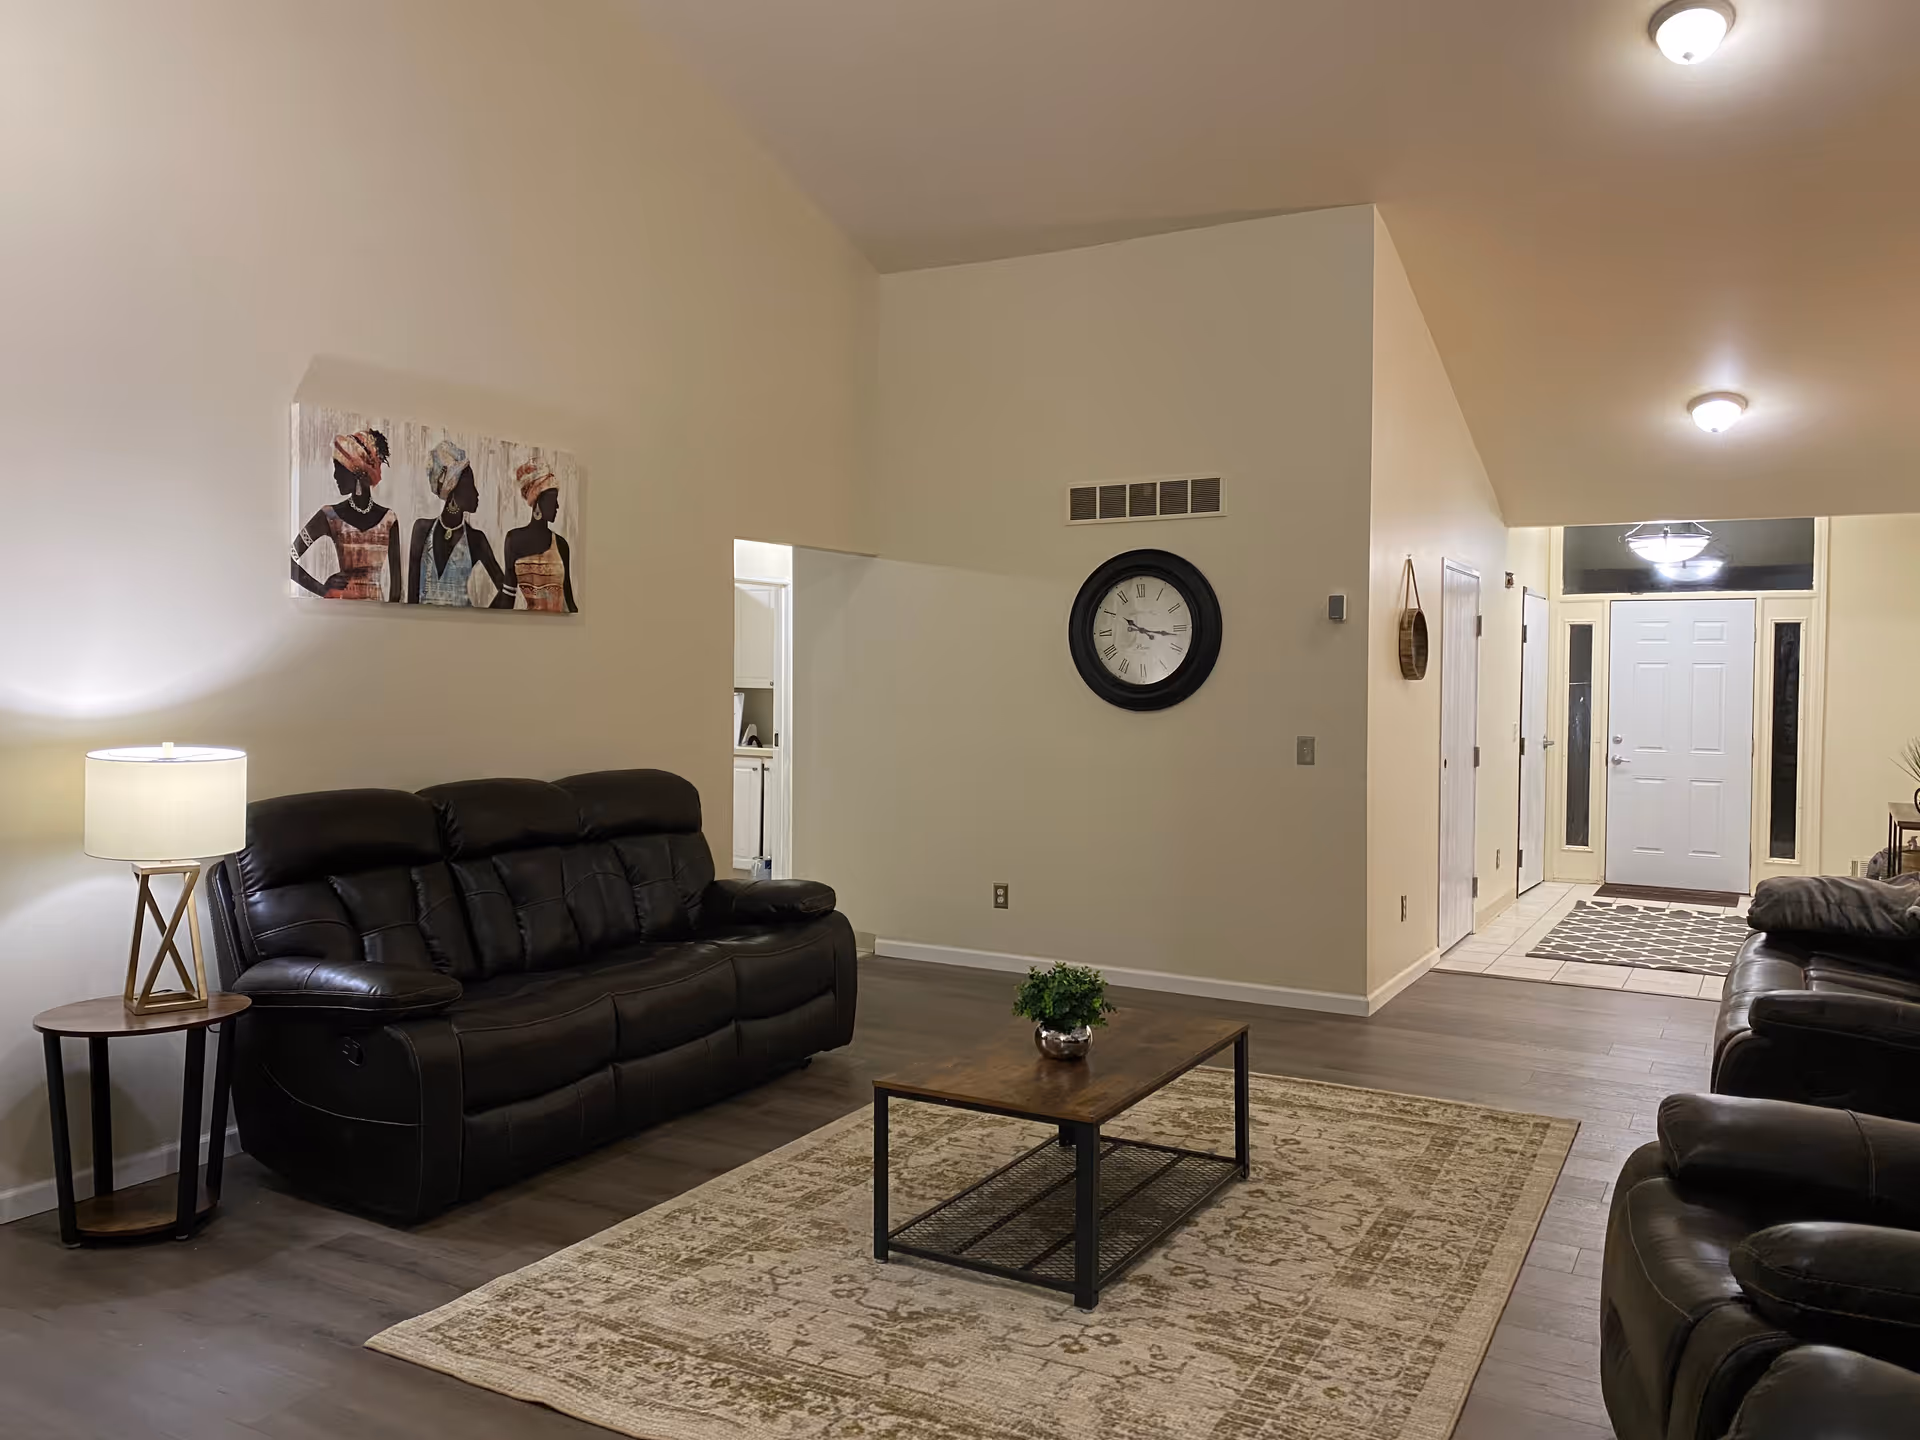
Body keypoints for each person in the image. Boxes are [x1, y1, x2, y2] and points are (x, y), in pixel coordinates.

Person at [291, 429, 401, 601]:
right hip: (339, 612)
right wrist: (323, 590)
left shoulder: (389, 520)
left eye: (339, 469)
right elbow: (289, 559)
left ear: (356, 472)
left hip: (378, 618)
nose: (335, 476)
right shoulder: (329, 515)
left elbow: (397, 590)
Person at [407, 439, 508, 606]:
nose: (476, 493)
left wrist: (484, 617)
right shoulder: (421, 530)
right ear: (452, 489)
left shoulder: (476, 539)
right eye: (470, 486)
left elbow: (504, 587)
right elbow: (411, 597)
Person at [498, 459, 576, 612]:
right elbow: (507, 598)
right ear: (538, 501)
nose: (557, 506)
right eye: (553, 500)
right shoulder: (514, 540)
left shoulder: (561, 544)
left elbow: (570, 602)